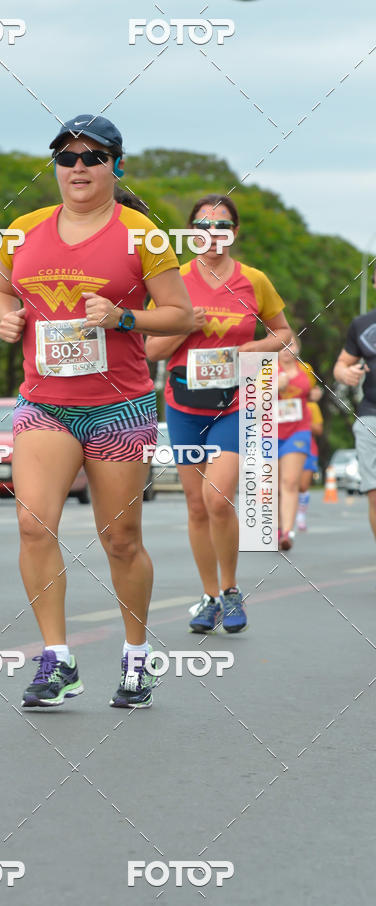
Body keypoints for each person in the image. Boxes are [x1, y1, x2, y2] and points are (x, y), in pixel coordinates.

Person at [0, 114, 194, 708]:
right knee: (32, 524)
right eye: (66, 157)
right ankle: (57, 660)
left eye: (92, 157)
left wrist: (124, 317)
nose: (78, 168)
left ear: (115, 165)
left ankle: (136, 656)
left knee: (121, 537)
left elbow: (180, 316)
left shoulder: (143, 235)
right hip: (45, 403)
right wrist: (6, 315)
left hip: (119, 407)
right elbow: (3, 289)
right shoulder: (22, 230)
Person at [146, 194, 293, 632]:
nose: (213, 236)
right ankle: (209, 596)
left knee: (217, 497)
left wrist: (258, 347)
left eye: (222, 226)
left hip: (235, 403)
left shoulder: (255, 281)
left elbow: (286, 335)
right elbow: (150, 349)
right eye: (204, 227)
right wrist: (181, 328)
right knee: (195, 506)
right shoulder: (173, 282)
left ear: (234, 232)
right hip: (183, 404)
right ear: (192, 233)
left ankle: (231, 590)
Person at [334, 300, 376, 540]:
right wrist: (344, 373)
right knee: (374, 493)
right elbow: (341, 364)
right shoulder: (362, 324)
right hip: (371, 412)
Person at [277, 335, 314, 550]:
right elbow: (253, 402)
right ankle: (277, 526)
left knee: (290, 481)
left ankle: (287, 532)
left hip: (298, 430)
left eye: (290, 344)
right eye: (280, 344)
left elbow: (312, 392)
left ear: (298, 347)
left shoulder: (306, 370)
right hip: (270, 432)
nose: (285, 348)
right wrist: (274, 388)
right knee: (273, 485)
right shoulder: (267, 370)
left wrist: (316, 394)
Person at [296, 386, 323, 531]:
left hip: (308, 448)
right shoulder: (283, 402)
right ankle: (281, 524)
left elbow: (319, 429)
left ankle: (301, 515)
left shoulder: (312, 406)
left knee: (303, 486)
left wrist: (304, 419)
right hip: (287, 446)